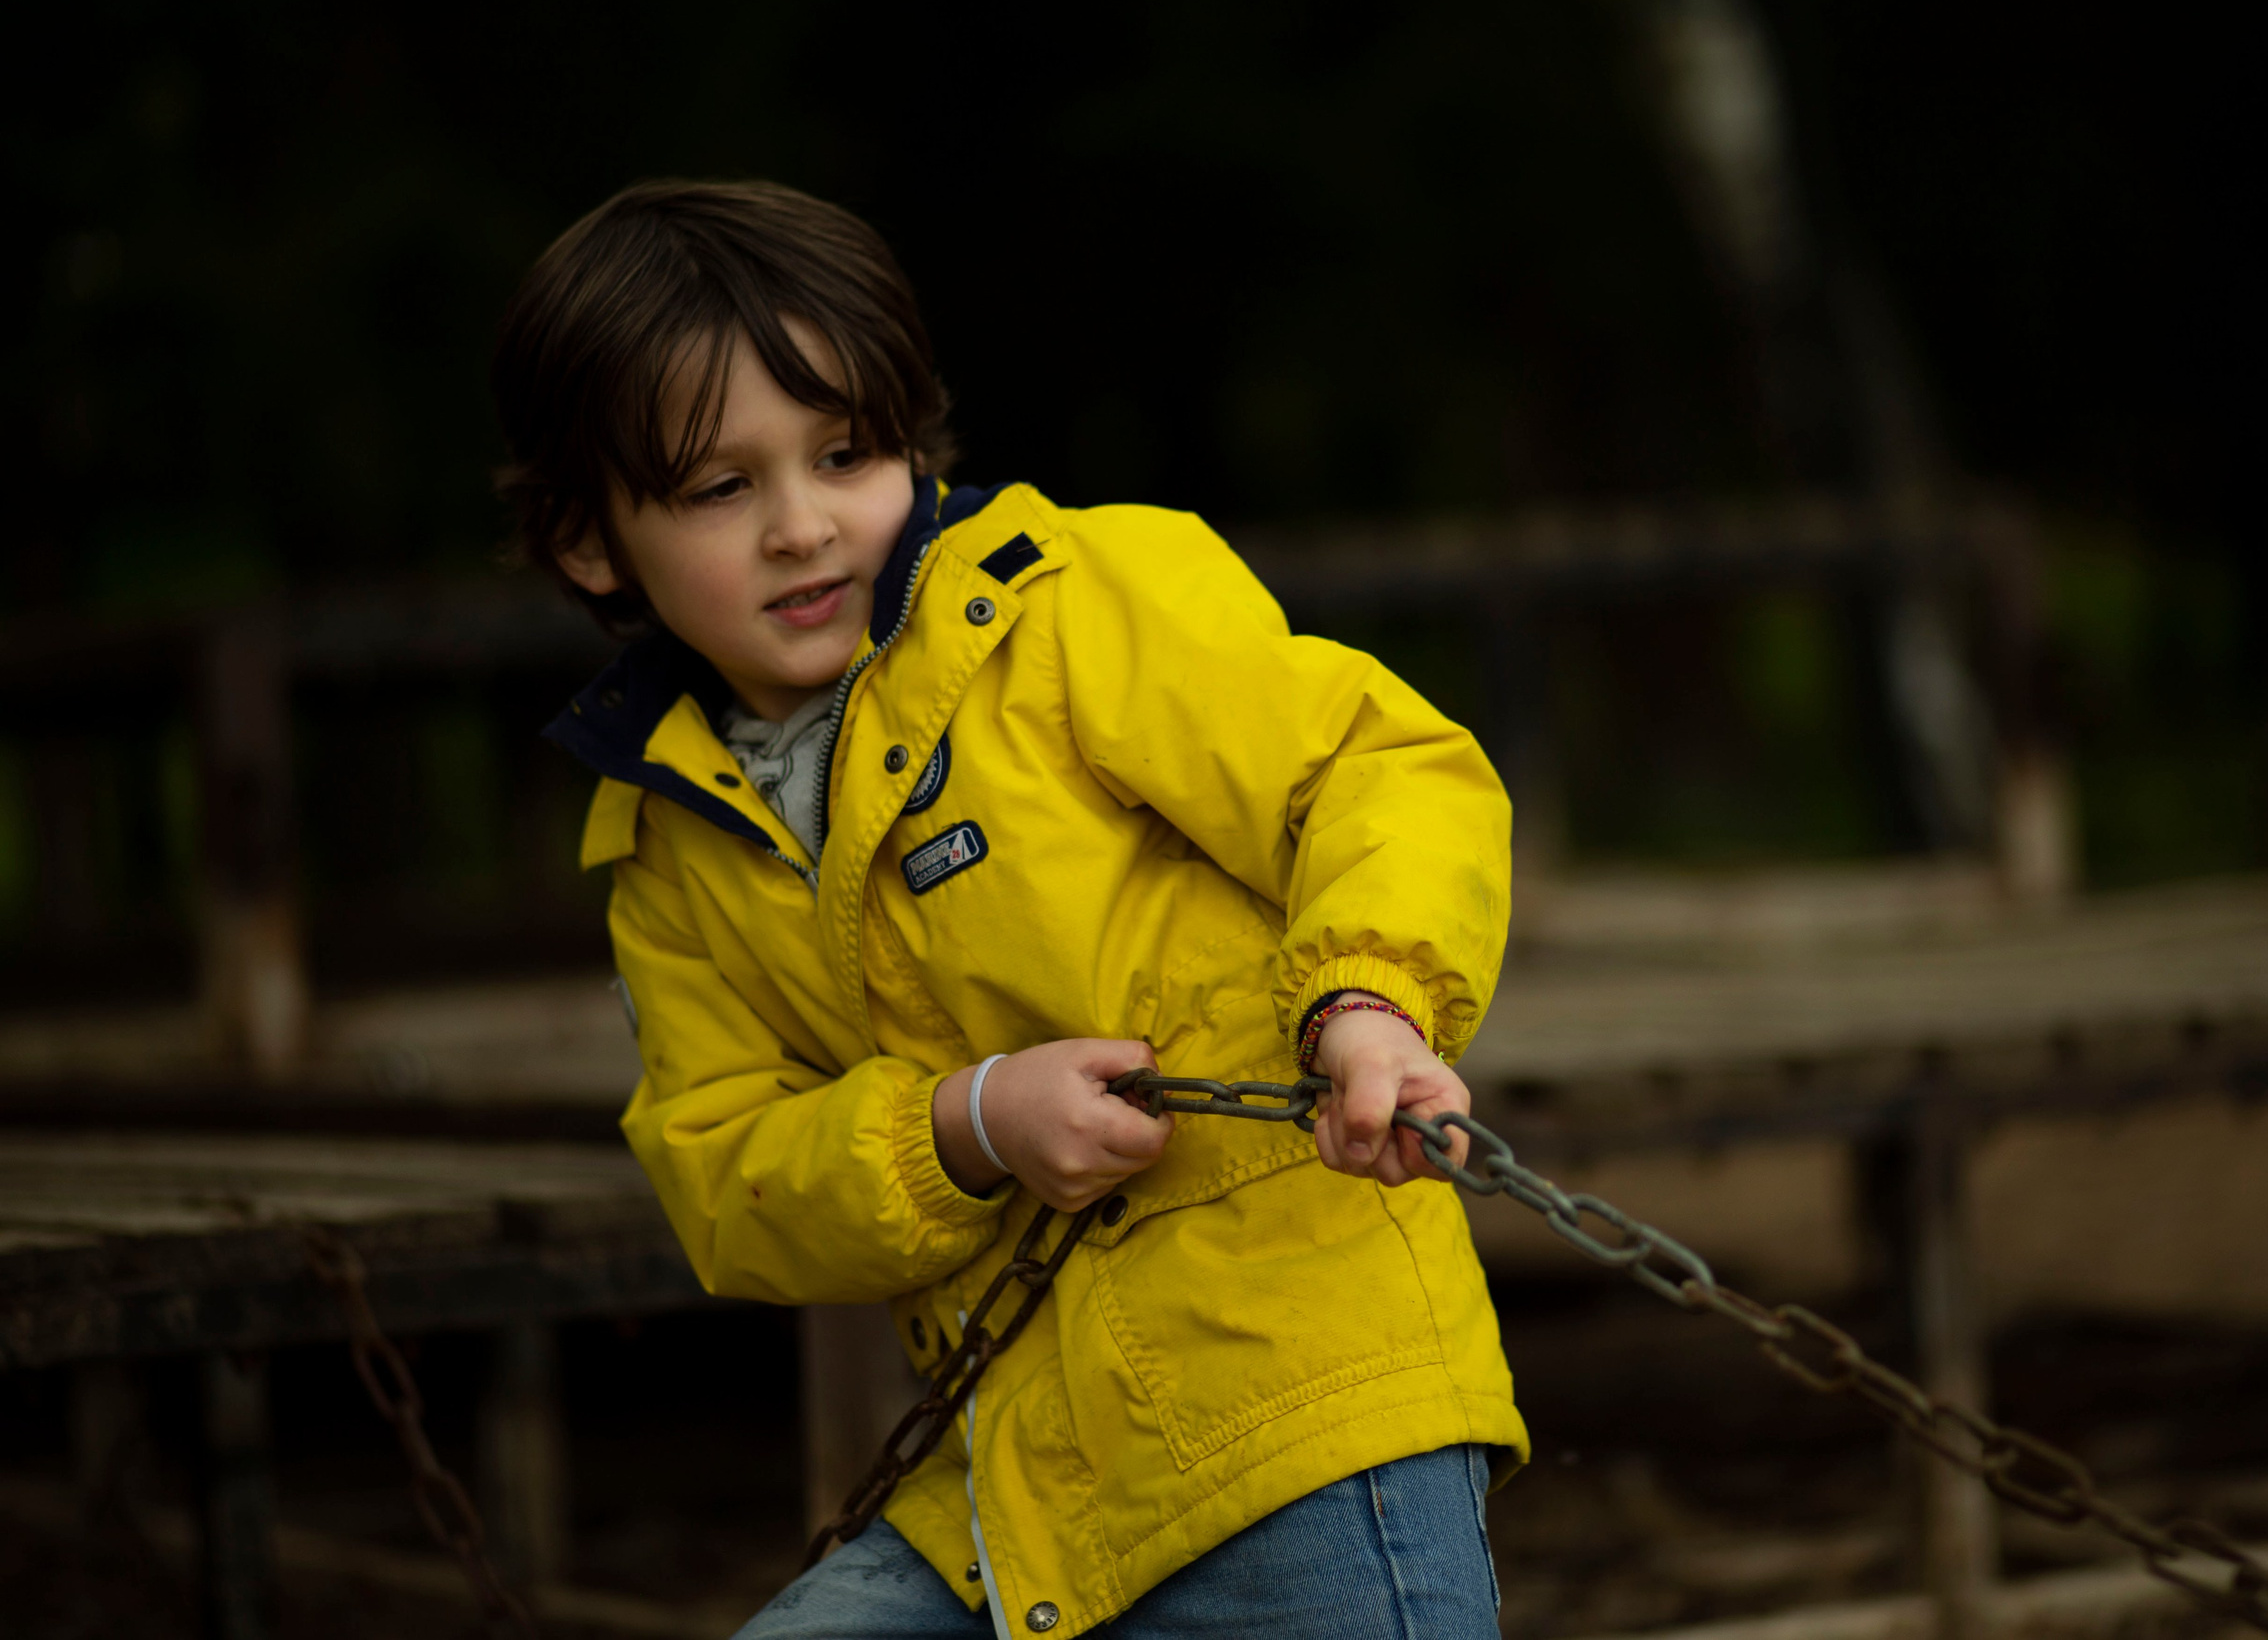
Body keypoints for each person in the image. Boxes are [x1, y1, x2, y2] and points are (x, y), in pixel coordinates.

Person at [502, 179, 1524, 1640]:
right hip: (1016, 1485)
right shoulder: (667, 850)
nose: (802, 526)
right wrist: (961, 1126)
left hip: (1308, 1406)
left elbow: (1376, 770)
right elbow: (725, 1172)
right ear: (592, 543)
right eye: (721, 488)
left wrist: (1366, 1001)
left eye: (843, 454)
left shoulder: (1066, 611)